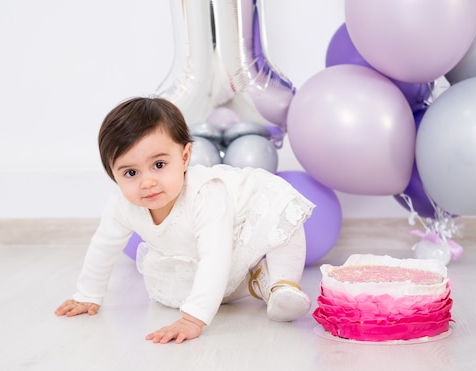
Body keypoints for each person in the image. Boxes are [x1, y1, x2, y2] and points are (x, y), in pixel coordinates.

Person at [55, 96, 315, 344]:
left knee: (282, 212)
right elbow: (104, 245)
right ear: (113, 175)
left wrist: (193, 319)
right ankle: (256, 281)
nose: (147, 182)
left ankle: (282, 283)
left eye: (159, 165)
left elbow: (216, 256)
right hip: (197, 250)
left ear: (184, 157)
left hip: (239, 222)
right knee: (173, 292)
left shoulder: (205, 194)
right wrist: (88, 294)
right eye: (130, 172)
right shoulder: (122, 204)